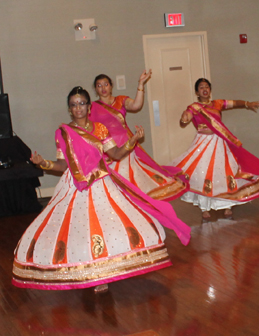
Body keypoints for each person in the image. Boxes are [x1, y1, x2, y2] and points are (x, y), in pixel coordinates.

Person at [13, 87, 191, 291]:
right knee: (81, 230)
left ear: (89, 107)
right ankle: (92, 274)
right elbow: (62, 165)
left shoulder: (100, 129)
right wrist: (43, 163)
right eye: (73, 104)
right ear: (69, 109)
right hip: (75, 185)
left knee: (108, 225)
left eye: (82, 103)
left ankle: (109, 269)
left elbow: (115, 154)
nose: (78, 108)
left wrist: (131, 142)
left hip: (101, 183)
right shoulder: (63, 132)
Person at [172, 78, 259, 219]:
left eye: (207, 87)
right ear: (197, 92)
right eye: (201, 87)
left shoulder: (217, 103)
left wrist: (247, 104)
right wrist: (184, 118)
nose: (205, 89)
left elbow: (234, 103)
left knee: (225, 173)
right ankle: (204, 207)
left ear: (210, 90)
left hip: (219, 142)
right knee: (202, 174)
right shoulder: (194, 107)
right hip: (202, 143)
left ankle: (226, 205)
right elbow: (185, 118)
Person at [90, 72, 188, 201]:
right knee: (113, 181)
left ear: (111, 86)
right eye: (99, 85)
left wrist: (141, 84)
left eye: (106, 84)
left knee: (129, 177)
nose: (103, 88)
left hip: (125, 145)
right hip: (107, 148)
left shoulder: (120, 100)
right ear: (96, 89)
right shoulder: (92, 107)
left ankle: (135, 203)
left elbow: (136, 105)